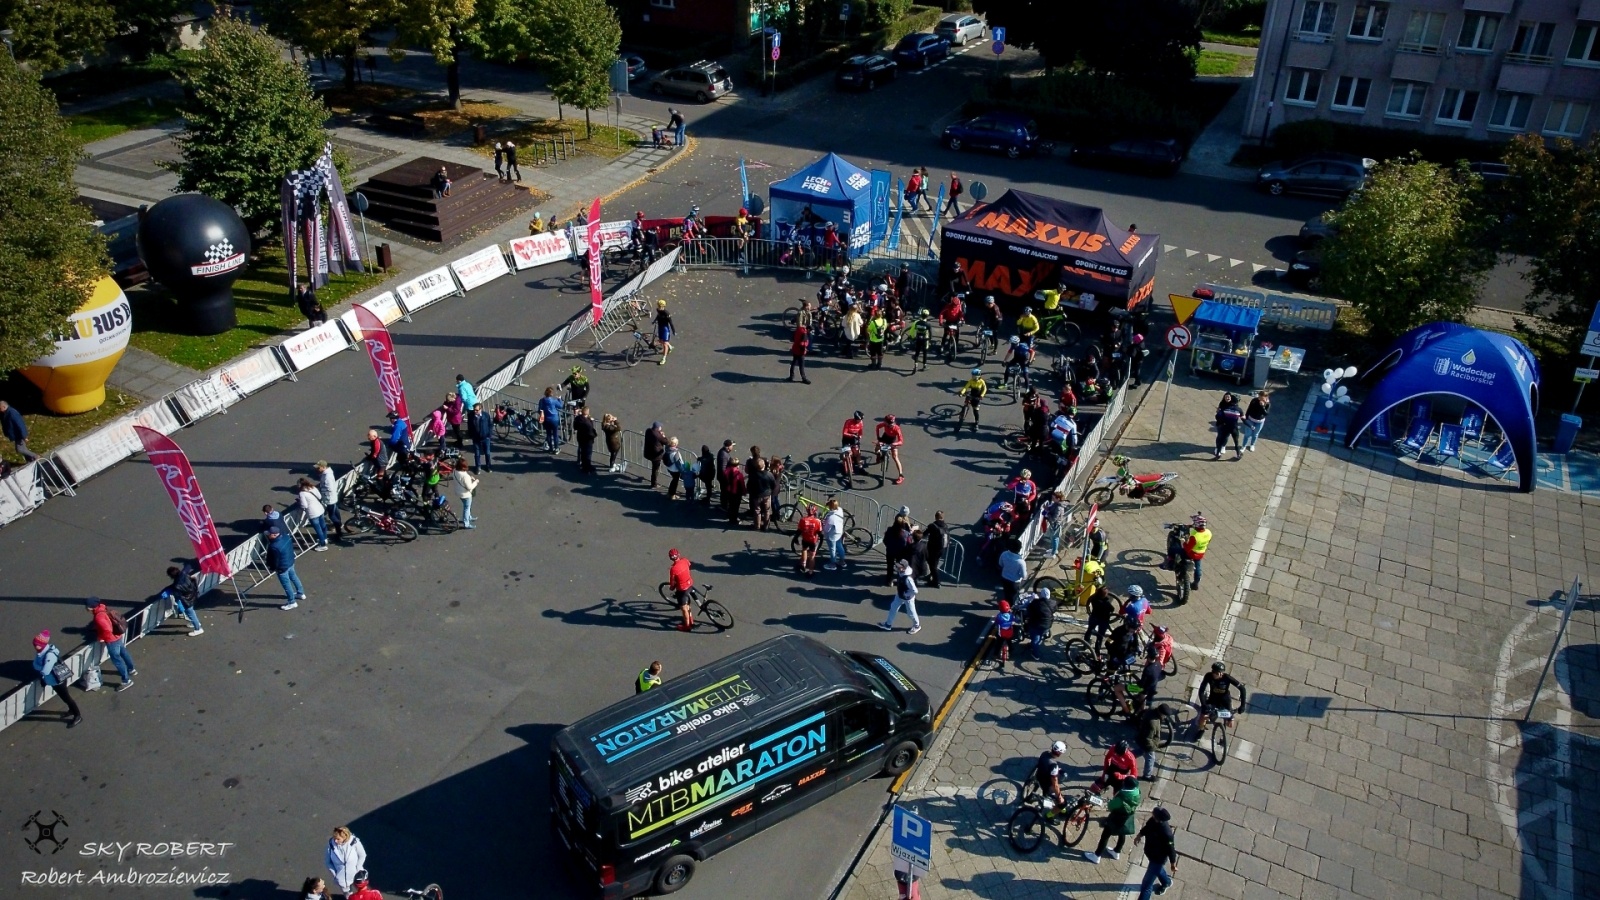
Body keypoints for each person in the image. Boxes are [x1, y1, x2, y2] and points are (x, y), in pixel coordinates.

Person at [1084, 775, 1141, 864]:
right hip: (1127, 816)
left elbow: (1110, 807)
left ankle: (1097, 855)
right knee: (1122, 833)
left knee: (1105, 836)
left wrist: (1111, 803)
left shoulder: (1122, 797)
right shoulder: (1137, 792)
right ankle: (1117, 852)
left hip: (1116, 817)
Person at [32, 631, 82, 727]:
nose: (35, 646)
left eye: (37, 644)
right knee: (65, 697)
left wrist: (38, 667)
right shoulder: (43, 651)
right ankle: (72, 711)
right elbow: (38, 665)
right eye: (34, 644)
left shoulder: (49, 655)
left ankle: (77, 715)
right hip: (54, 679)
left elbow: (45, 670)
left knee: (67, 698)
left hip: (57, 680)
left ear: (42, 645)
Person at [1134, 807, 1179, 899]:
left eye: (1154, 813)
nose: (1152, 813)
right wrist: (1139, 835)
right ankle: (1167, 882)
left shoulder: (1167, 834)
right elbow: (1147, 828)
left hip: (1158, 859)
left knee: (1146, 885)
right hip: (1150, 853)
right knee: (1157, 871)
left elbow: (1171, 849)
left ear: (1159, 819)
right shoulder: (1153, 820)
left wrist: (1173, 863)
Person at [1193, 662, 1246, 739]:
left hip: (1225, 701)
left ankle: (1223, 717)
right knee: (1203, 716)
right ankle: (1201, 730)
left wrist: (1243, 705)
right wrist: (1204, 705)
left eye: (1222, 673)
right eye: (1218, 673)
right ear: (1213, 672)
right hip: (1213, 700)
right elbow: (1201, 690)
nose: (1221, 675)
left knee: (1230, 724)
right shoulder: (1208, 676)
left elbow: (1242, 689)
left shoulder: (1227, 678)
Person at [265, 525, 305, 611]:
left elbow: (274, 561)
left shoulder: (274, 546)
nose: (268, 535)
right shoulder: (286, 537)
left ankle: (292, 602)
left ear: (275, 535)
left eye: (269, 534)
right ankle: (300, 593)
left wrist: (272, 568)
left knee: (286, 585)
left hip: (282, 567)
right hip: (290, 562)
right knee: (294, 577)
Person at [880, 559, 921, 634]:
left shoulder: (908, 579)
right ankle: (888, 624)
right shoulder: (901, 572)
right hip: (899, 595)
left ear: (904, 568)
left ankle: (917, 625)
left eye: (899, 567)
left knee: (911, 613)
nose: (897, 568)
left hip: (908, 599)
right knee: (893, 607)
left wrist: (907, 595)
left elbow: (915, 591)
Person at [325, 827, 367, 898]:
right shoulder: (331, 845)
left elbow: (362, 855)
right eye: (334, 838)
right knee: (348, 894)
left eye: (338, 839)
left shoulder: (354, 842)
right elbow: (328, 862)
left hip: (356, 873)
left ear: (345, 837)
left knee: (362, 892)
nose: (335, 841)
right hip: (342, 876)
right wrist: (335, 874)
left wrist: (358, 867)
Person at [165, 562, 204, 636]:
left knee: (191, 614)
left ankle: (198, 628)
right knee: (192, 613)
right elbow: (188, 565)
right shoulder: (183, 573)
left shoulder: (176, 586)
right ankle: (195, 622)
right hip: (193, 595)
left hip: (187, 601)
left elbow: (177, 596)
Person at [1136, 703, 1172, 780]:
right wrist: (1153, 747)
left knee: (1140, 751)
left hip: (1141, 738)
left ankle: (1123, 757)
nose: (1165, 717)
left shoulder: (1152, 712)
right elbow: (1148, 739)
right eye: (1164, 715)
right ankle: (1147, 776)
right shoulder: (1152, 723)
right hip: (1148, 744)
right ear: (1161, 713)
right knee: (1151, 758)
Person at [296, 477, 329, 550]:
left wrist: (299, 502)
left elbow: (304, 505)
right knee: (323, 526)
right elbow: (320, 497)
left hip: (313, 513)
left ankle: (323, 545)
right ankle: (324, 538)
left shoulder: (302, 493)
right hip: (320, 509)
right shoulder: (313, 487)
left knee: (318, 529)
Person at [313, 461, 344, 540]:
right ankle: (339, 525)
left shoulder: (327, 476)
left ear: (323, 467)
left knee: (332, 516)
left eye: (318, 468)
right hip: (332, 497)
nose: (317, 469)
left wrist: (320, 490)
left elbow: (329, 488)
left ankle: (339, 531)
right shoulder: (327, 474)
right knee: (335, 512)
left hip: (329, 498)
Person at [882, 509, 913, 585]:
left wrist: (889, 546)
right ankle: (900, 580)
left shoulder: (889, 530)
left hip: (890, 551)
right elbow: (909, 543)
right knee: (900, 567)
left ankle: (889, 581)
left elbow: (885, 540)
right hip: (900, 553)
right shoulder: (905, 534)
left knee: (890, 567)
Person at [1033, 740, 1068, 809]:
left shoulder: (1044, 753)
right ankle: (1049, 815)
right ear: (1059, 753)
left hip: (1038, 776)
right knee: (1063, 803)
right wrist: (1059, 797)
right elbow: (1055, 784)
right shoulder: (1054, 766)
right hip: (1046, 785)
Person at [1023, 586, 1056, 655]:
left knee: (1035, 639)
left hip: (1037, 625)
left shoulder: (1036, 603)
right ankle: (1034, 643)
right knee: (1040, 635)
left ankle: (1035, 654)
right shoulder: (1053, 603)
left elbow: (1029, 609)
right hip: (1048, 625)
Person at [668, 549, 695, 631]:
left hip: (682, 589)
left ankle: (687, 626)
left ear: (670, 558)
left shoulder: (673, 569)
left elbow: (672, 582)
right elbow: (689, 565)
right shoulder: (685, 560)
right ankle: (691, 619)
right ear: (678, 555)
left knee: (684, 608)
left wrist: (672, 587)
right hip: (690, 583)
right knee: (688, 602)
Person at [1183, 513, 1211, 591]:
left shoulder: (1195, 536)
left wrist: (1183, 542)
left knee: (1175, 550)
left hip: (1191, 553)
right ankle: (1196, 583)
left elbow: (1187, 548)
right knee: (1198, 568)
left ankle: (1169, 562)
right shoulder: (1208, 532)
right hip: (1201, 553)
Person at [1085, 582, 1116, 654]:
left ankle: (1085, 643)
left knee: (1089, 629)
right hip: (1103, 620)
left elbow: (1088, 603)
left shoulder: (1093, 598)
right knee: (1100, 636)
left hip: (1094, 617)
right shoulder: (1106, 603)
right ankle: (1097, 650)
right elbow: (1112, 609)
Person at [876, 414, 905, 485]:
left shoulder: (897, 428)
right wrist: (878, 437)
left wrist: (894, 444)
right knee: (877, 446)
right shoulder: (885, 424)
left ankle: (901, 475)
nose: (892, 425)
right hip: (885, 437)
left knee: (895, 457)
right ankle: (878, 454)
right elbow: (877, 427)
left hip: (892, 441)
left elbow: (901, 441)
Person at [749, 456, 777, 529]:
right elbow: (773, 484)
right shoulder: (769, 474)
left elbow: (749, 485)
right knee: (767, 510)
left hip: (756, 495)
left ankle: (757, 526)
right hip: (767, 494)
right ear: (764, 465)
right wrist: (771, 490)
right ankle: (766, 526)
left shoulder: (753, 475)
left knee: (757, 511)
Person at [796, 504, 823, 576]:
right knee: (812, 556)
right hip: (813, 541)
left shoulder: (803, 520)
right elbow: (820, 533)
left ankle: (803, 564)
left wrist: (795, 538)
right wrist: (821, 541)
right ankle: (810, 571)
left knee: (804, 550)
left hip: (805, 538)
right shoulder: (818, 521)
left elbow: (799, 531)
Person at [1214, 393, 1243, 459]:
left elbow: (1218, 415)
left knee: (1225, 437)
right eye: (1226, 397)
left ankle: (1221, 448)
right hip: (1223, 425)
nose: (1227, 398)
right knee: (1220, 437)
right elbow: (1218, 416)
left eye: (1229, 397)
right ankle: (1218, 448)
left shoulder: (1232, 407)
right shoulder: (1224, 405)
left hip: (1227, 426)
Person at [924, 511, 949, 588]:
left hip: (932, 548)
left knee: (932, 565)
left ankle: (936, 582)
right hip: (942, 549)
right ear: (943, 517)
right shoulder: (945, 526)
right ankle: (932, 576)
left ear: (935, 517)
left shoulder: (932, 526)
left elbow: (924, 534)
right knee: (935, 563)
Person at [959, 368, 986, 432]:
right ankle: (962, 416)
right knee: (965, 404)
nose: (972, 376)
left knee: (975, 411)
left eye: (973, 375)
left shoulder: (981, 381)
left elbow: (985, 389)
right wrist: (962, 392)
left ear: (978, 376)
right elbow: (966, 387)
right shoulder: (971, 381)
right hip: (971, 395)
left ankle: (976, 423)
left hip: (977, 397)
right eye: (972, 375)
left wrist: (982, 395)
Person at [537, 386, 564, 453]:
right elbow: (561, 406)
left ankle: (550, 448)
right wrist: (559, 399)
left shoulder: (542, 400)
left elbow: (539, 410)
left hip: (546, 419)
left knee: (548, 434)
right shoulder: (554, 401)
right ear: (551, 394)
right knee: (555, 434)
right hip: (554, 419)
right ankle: (556, 448)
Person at [823, 498, 847, 571]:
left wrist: (823, 524)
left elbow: (826, 529)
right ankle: (842, 561)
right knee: (839, 546)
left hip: (832, 535)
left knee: (832, 549)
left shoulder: (831, 518)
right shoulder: (840, 510)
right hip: (839, 532)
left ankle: (833, 564)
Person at [721, 454, 746, 524]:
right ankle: (734, 519)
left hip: (728, 491)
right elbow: (742, 485)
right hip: (736, 493)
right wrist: (744, 492)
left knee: (730, 505)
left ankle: (730, 516)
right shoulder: (738, 474)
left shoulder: (726, 472)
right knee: (735, 507)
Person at [470, 402, 494, 473]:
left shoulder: (486, 415)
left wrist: (489, 435)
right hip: (476, 438)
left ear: (481, 409)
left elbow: (490, 425)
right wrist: (471, 435)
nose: (475, 411)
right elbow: (470, 426)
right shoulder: (471, 415)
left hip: (485, 438)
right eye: (474, 410)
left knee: (487, 453)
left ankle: (488, 466)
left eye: (477, 410)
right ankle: (478, 467)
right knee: (477, 454)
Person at [574, 406, 598, 474]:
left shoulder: (578, 418)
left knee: (583, 452)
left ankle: (583, 465)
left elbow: (575, 427)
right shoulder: (587, 423)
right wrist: (594, 435)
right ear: (587, 412)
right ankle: (587, 467)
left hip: (580, 438)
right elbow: (590, 432)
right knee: (588, 454)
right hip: (587, 440)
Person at [907, 308, 932, 372]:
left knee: (917, 353)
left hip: (918, 339)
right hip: (925, 340)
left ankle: (916, 365)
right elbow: (930, 334)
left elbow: (912, 330)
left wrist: (912, 337)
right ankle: (924, 365)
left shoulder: (917, 323)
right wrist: (929, 340)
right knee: (925, 353)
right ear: (927, 316)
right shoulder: (928, 325)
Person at [455, 462, 479, 528]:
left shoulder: (455, 471)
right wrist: (476, 482)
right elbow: (470, 487)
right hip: (465, 494)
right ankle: (466, 523)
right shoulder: (465, 476)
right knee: (467, 508)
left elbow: (460, 479)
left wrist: (469, 478)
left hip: (458, 492)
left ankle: (469, 516)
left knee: (467, 506)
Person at [994, 600, 1017, 668]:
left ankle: (996, 654)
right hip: (1009, 632)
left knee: (999, 643)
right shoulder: (1011, 615)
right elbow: (1014, 621)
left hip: (1001, 633)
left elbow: (996, 623)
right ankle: (1011, 650)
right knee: (1009, 641)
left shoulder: (999, 616)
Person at [644, 422, 667, 488]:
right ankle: (654, 484)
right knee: (655, 470)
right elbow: (666, 442)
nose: (661, 428)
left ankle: (653, 483)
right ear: (657, 428)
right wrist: (663, 436)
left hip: (648, 453)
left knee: (654, 469)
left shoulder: (648, 431)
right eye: (660, 427)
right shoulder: (658, 435)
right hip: (656, 456)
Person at [654, 299, 675, 365]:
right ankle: (670, 346)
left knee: (665, 344)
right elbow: (658, 316)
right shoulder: (658, 310)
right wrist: (654, 321)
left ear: (663, 306)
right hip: (660, 327)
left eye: (660, 306)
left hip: (665, 329)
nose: (659, 307)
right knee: (661, 340)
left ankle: (664, 358)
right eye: (658, 305)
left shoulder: (666, 313)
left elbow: (671, 322)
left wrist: (673, 330)